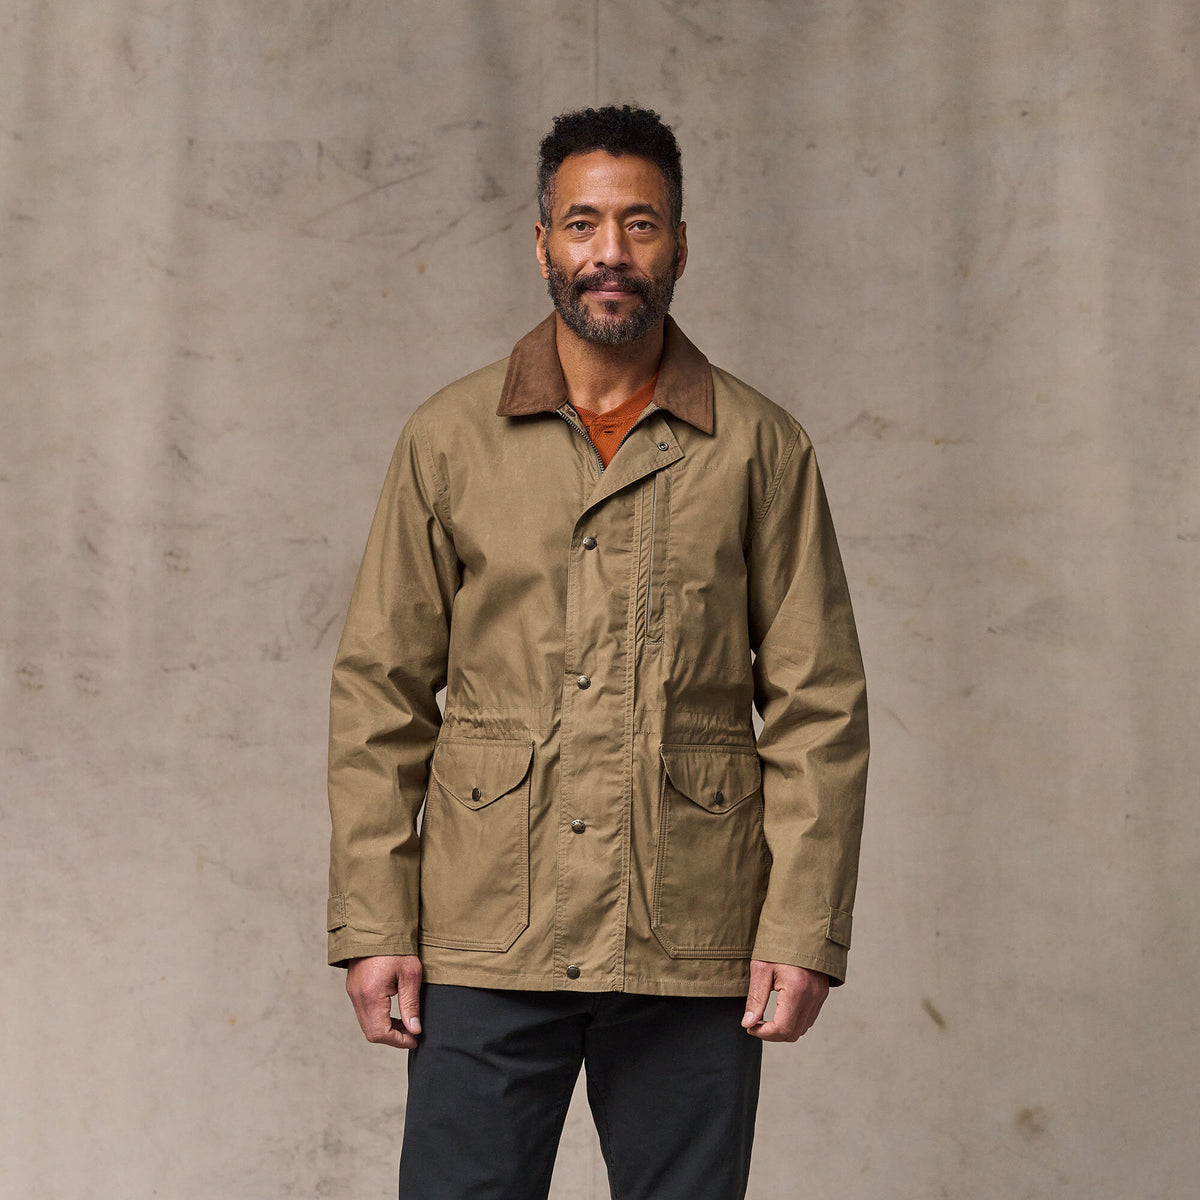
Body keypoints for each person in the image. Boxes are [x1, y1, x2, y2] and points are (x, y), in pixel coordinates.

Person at [326, 104, 869, 1200]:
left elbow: (819, 704)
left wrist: (804, 927)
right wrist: (375, 918)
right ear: (542, 244)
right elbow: (382, 689)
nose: (609, 252)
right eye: (582, 224)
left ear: (680, 244)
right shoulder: (449, 438)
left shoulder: (761, 448)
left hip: (691, 928)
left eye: (639, 224)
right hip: (484, 924)